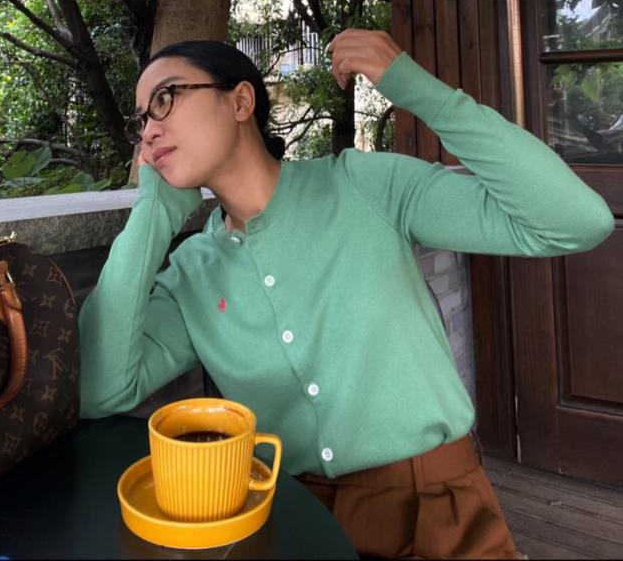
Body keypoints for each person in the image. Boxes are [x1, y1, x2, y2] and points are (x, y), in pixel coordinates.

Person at [78, 29, 614, 560]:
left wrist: (415, 88)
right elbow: (100, 390)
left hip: (436, 510)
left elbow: (573, 222)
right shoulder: (192, 270)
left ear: (240, 101)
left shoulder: (362, 185)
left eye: (165, 98)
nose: (150, 130)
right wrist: (153, 212)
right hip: (294, 519)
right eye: (141, 119)